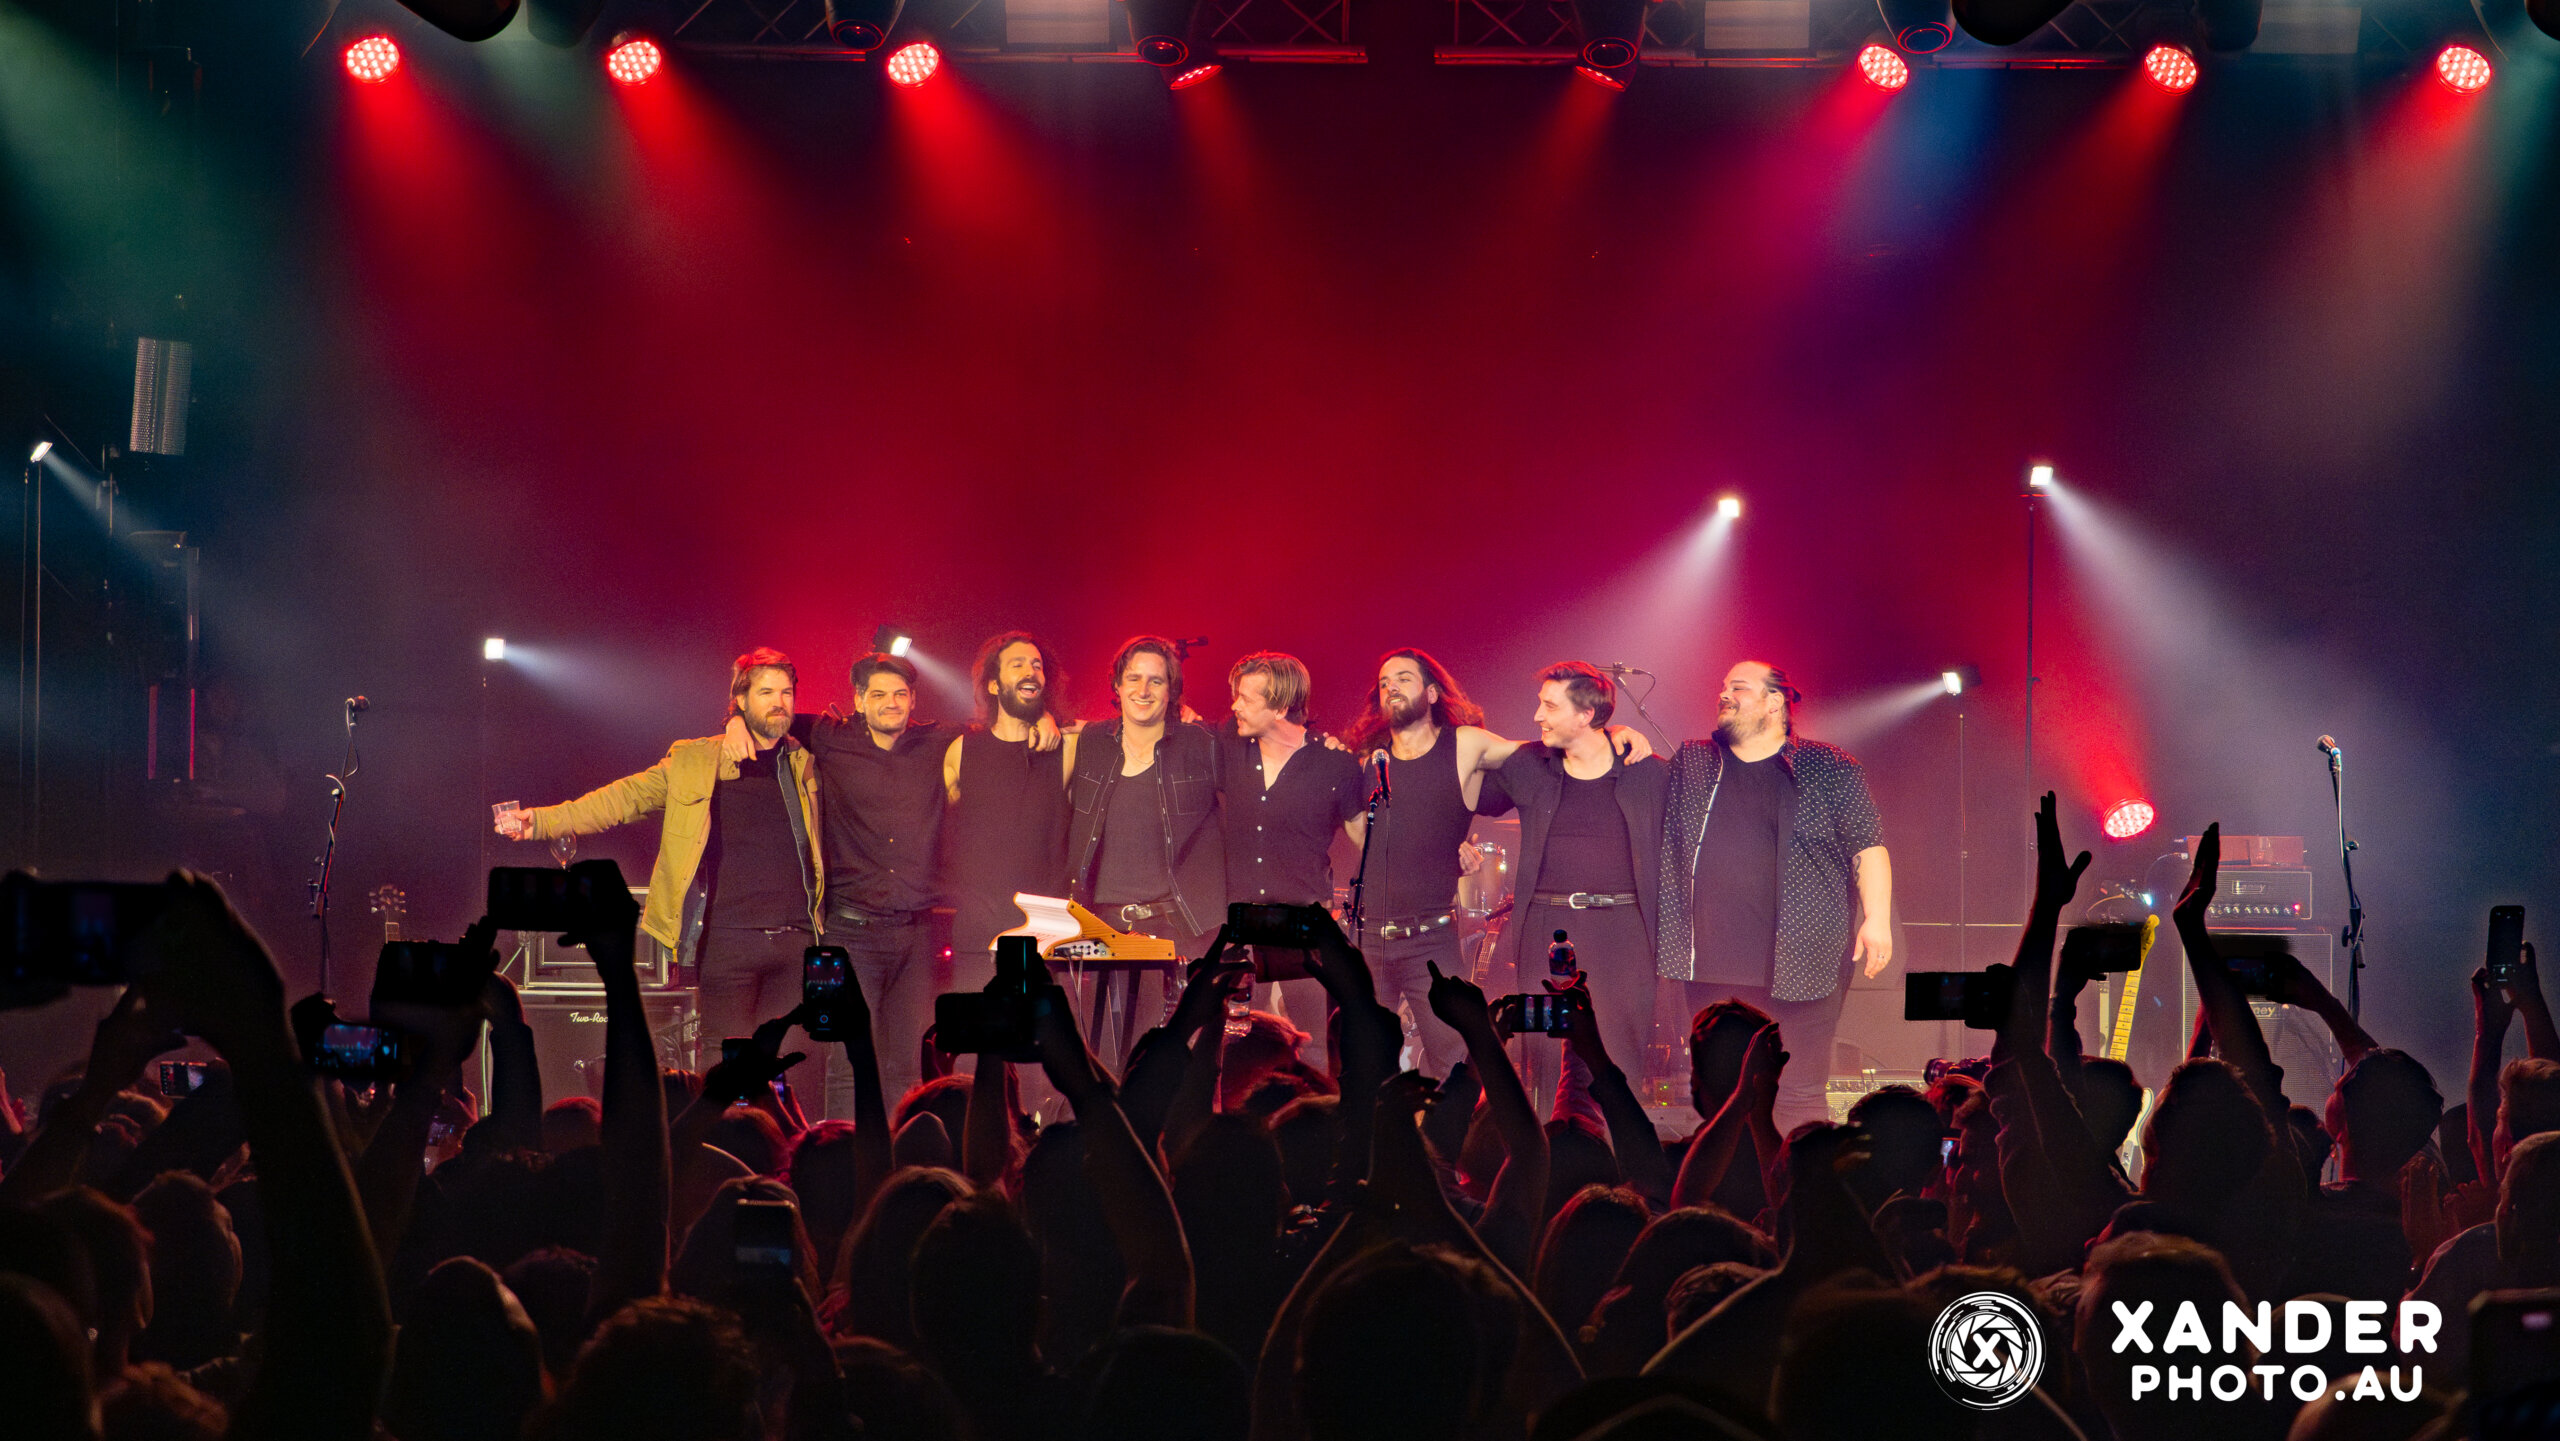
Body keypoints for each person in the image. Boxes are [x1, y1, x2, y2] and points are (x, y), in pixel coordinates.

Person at [500, 649, 825, 1076]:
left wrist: (738, 723)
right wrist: (543, 822)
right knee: (724, 1069)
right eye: (766, 692)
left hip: (797, 941)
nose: (779, 702)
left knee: (792, 1069)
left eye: (786, 692)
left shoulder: (807, 759)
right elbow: (623, 799)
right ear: (740, 700)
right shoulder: (695, 760)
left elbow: (847, 728)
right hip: (728, 941)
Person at [1341, 649, 1650, 1077]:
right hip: (1368, 935)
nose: (1390, 686)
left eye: (1403, 678)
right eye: (1383, 682)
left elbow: (1542, 750)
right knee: (1360, 1063)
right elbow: (1364, 836)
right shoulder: (1367, 758)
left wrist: (1607, 729)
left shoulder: (1465, 743)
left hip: (1431, 937)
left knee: (1454, 1062)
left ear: (1432, 693)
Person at [1655, 661, 1891, 1133]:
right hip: (1708, 962)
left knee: (1798, 1091)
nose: (1724, 694)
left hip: (1806, 957)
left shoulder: (1828, 765)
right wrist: (1624, 736)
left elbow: (1868, 846)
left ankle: (1797, 1177)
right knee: (1719, 1097)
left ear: (1774, 701)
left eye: (1739, 687)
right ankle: (1729, 1178)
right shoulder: (1694, 761)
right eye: (1723, 686)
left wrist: (1877, 917)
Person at [725, 651, 949, 1112]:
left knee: (910, 1065)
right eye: (879, 694)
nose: (891, 703)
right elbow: (770, 714)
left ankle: (899, 1153)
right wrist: (733, 722)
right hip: (846, 933)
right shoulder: (829, 737)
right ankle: (843, 1153)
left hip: (917, 934)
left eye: (900, 694)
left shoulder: (937, 742)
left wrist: (1050, 722)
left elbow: (999, 734)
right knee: (845, 1063)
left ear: (913, 700)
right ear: (859, 700)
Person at [1486, 662, 1669, 1088]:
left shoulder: (1648, 772)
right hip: (1546, 932)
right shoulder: (1529, 764)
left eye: (1550, 706)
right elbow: (1467, 778)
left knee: (1619, 1062)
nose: (1537, 715)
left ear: (1587, 715)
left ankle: (1616, 1133)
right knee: (1548, 1059)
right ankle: (1551, 1132)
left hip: (1624, 934)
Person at [1063, 637, 1225, 1060]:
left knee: (1181, 1063)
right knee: (1109, 1061)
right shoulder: (1091, 742)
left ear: (1172, 690)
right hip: (1107, 930)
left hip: (1182, 928)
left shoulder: (1202, 743)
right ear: (1116, 685)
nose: (1144, 689)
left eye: (1156, 680)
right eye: (1133, 678)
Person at [1215, 652, 1366, 1067]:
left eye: (1246, 699)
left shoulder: (1334, 763)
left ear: (1281, 707)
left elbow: (1367, 841)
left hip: (1302, 924)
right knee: (1235, 1042)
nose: (1235, 706)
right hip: (1239, 922)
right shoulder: (1229, 745)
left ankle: (1316, 1106)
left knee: (1314, 1043)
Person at [941, 631, 1072, 990]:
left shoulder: (1067, 749)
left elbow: (1121, 733)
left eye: (1037, 665)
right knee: (974, 1026)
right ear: (994, 685)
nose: (1031, 672)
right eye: (1018, 665)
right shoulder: (961, 751)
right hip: (978, 933)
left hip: (1044, 935)